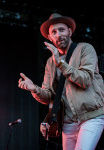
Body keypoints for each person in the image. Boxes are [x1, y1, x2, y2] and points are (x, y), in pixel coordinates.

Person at [18, 12, 104, 150]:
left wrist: (61, 64)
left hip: (91, 117)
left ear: (69, 31)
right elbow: (48, 96)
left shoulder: (85, 49)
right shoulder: (50, 63)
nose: (58, 34)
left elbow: (86, 80)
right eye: (54, 32)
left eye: (62, 30)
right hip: (67, 123)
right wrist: (34, 88)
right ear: (49, 37)